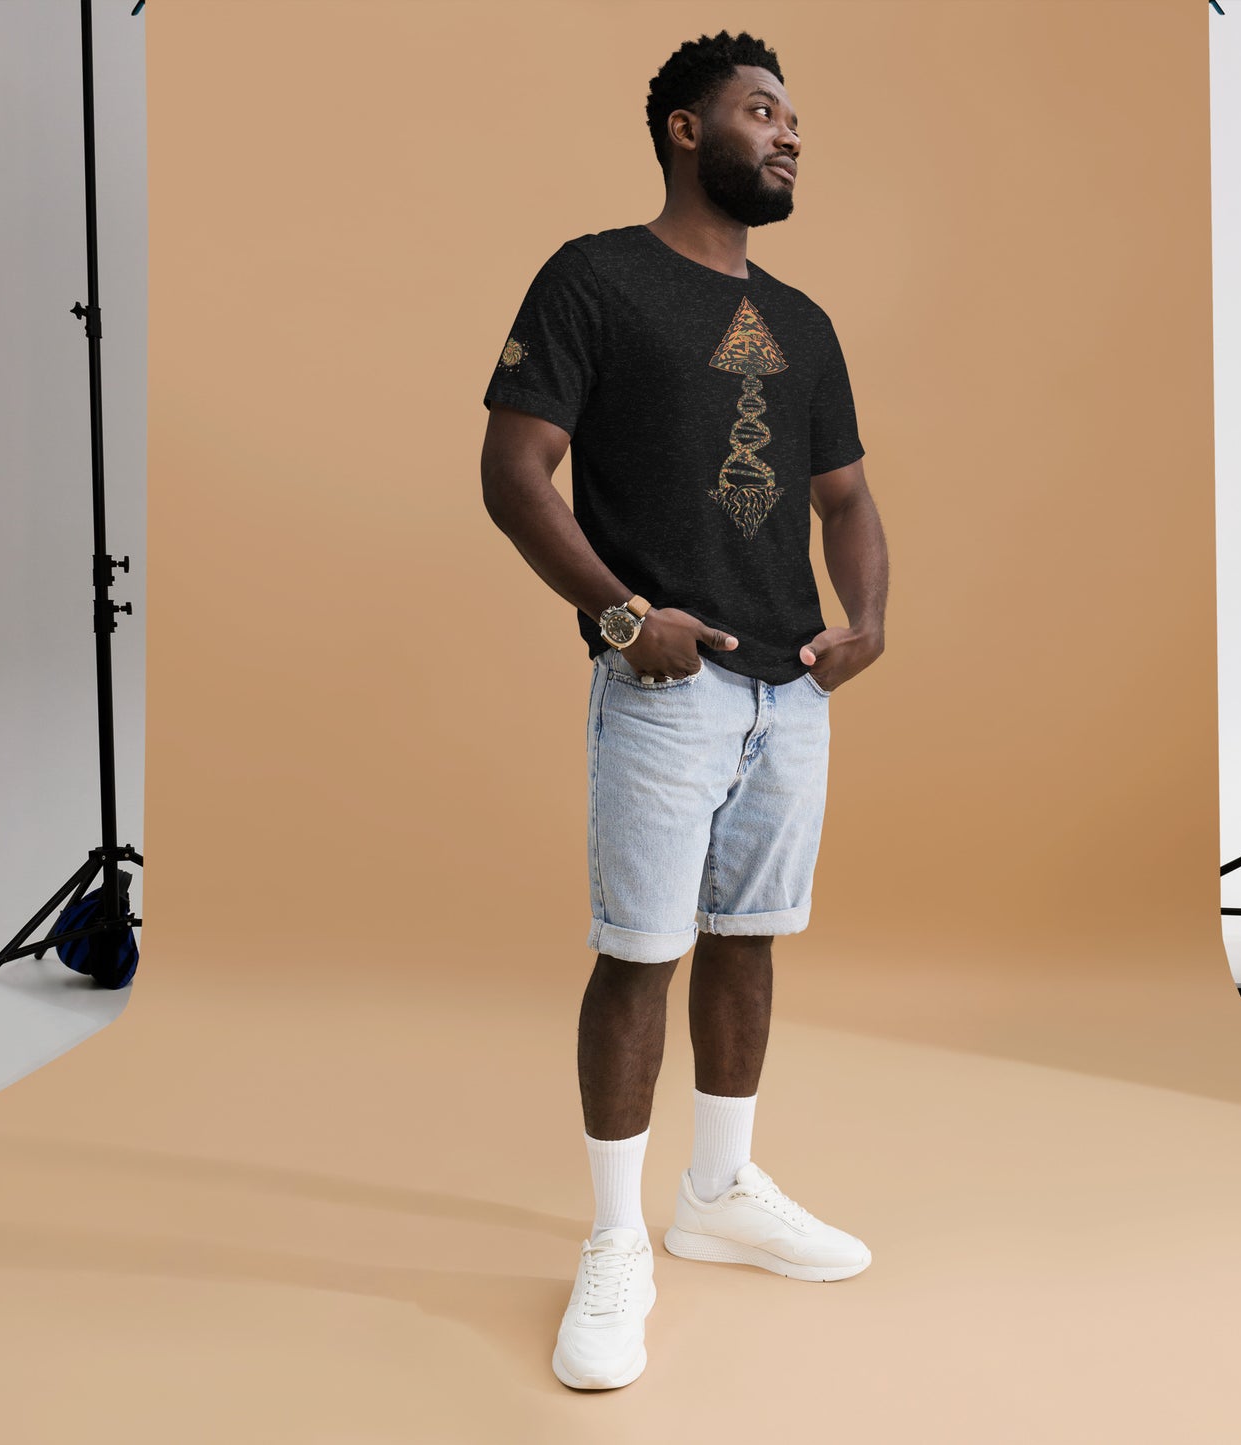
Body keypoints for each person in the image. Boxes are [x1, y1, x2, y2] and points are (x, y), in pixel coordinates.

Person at [480, 28, 889, 1391]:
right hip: (666, 682)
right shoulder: (595, 278)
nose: (786, 135)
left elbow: (842, 495)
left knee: (750, 938)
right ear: (680, 129)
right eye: (759, 112)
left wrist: (865, 621)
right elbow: (514, 467)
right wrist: (615, 615)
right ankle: (614, 1243)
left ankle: (716, 1194)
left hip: (790, 688)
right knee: (639, 952)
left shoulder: (808, 324)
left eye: (793, 119)